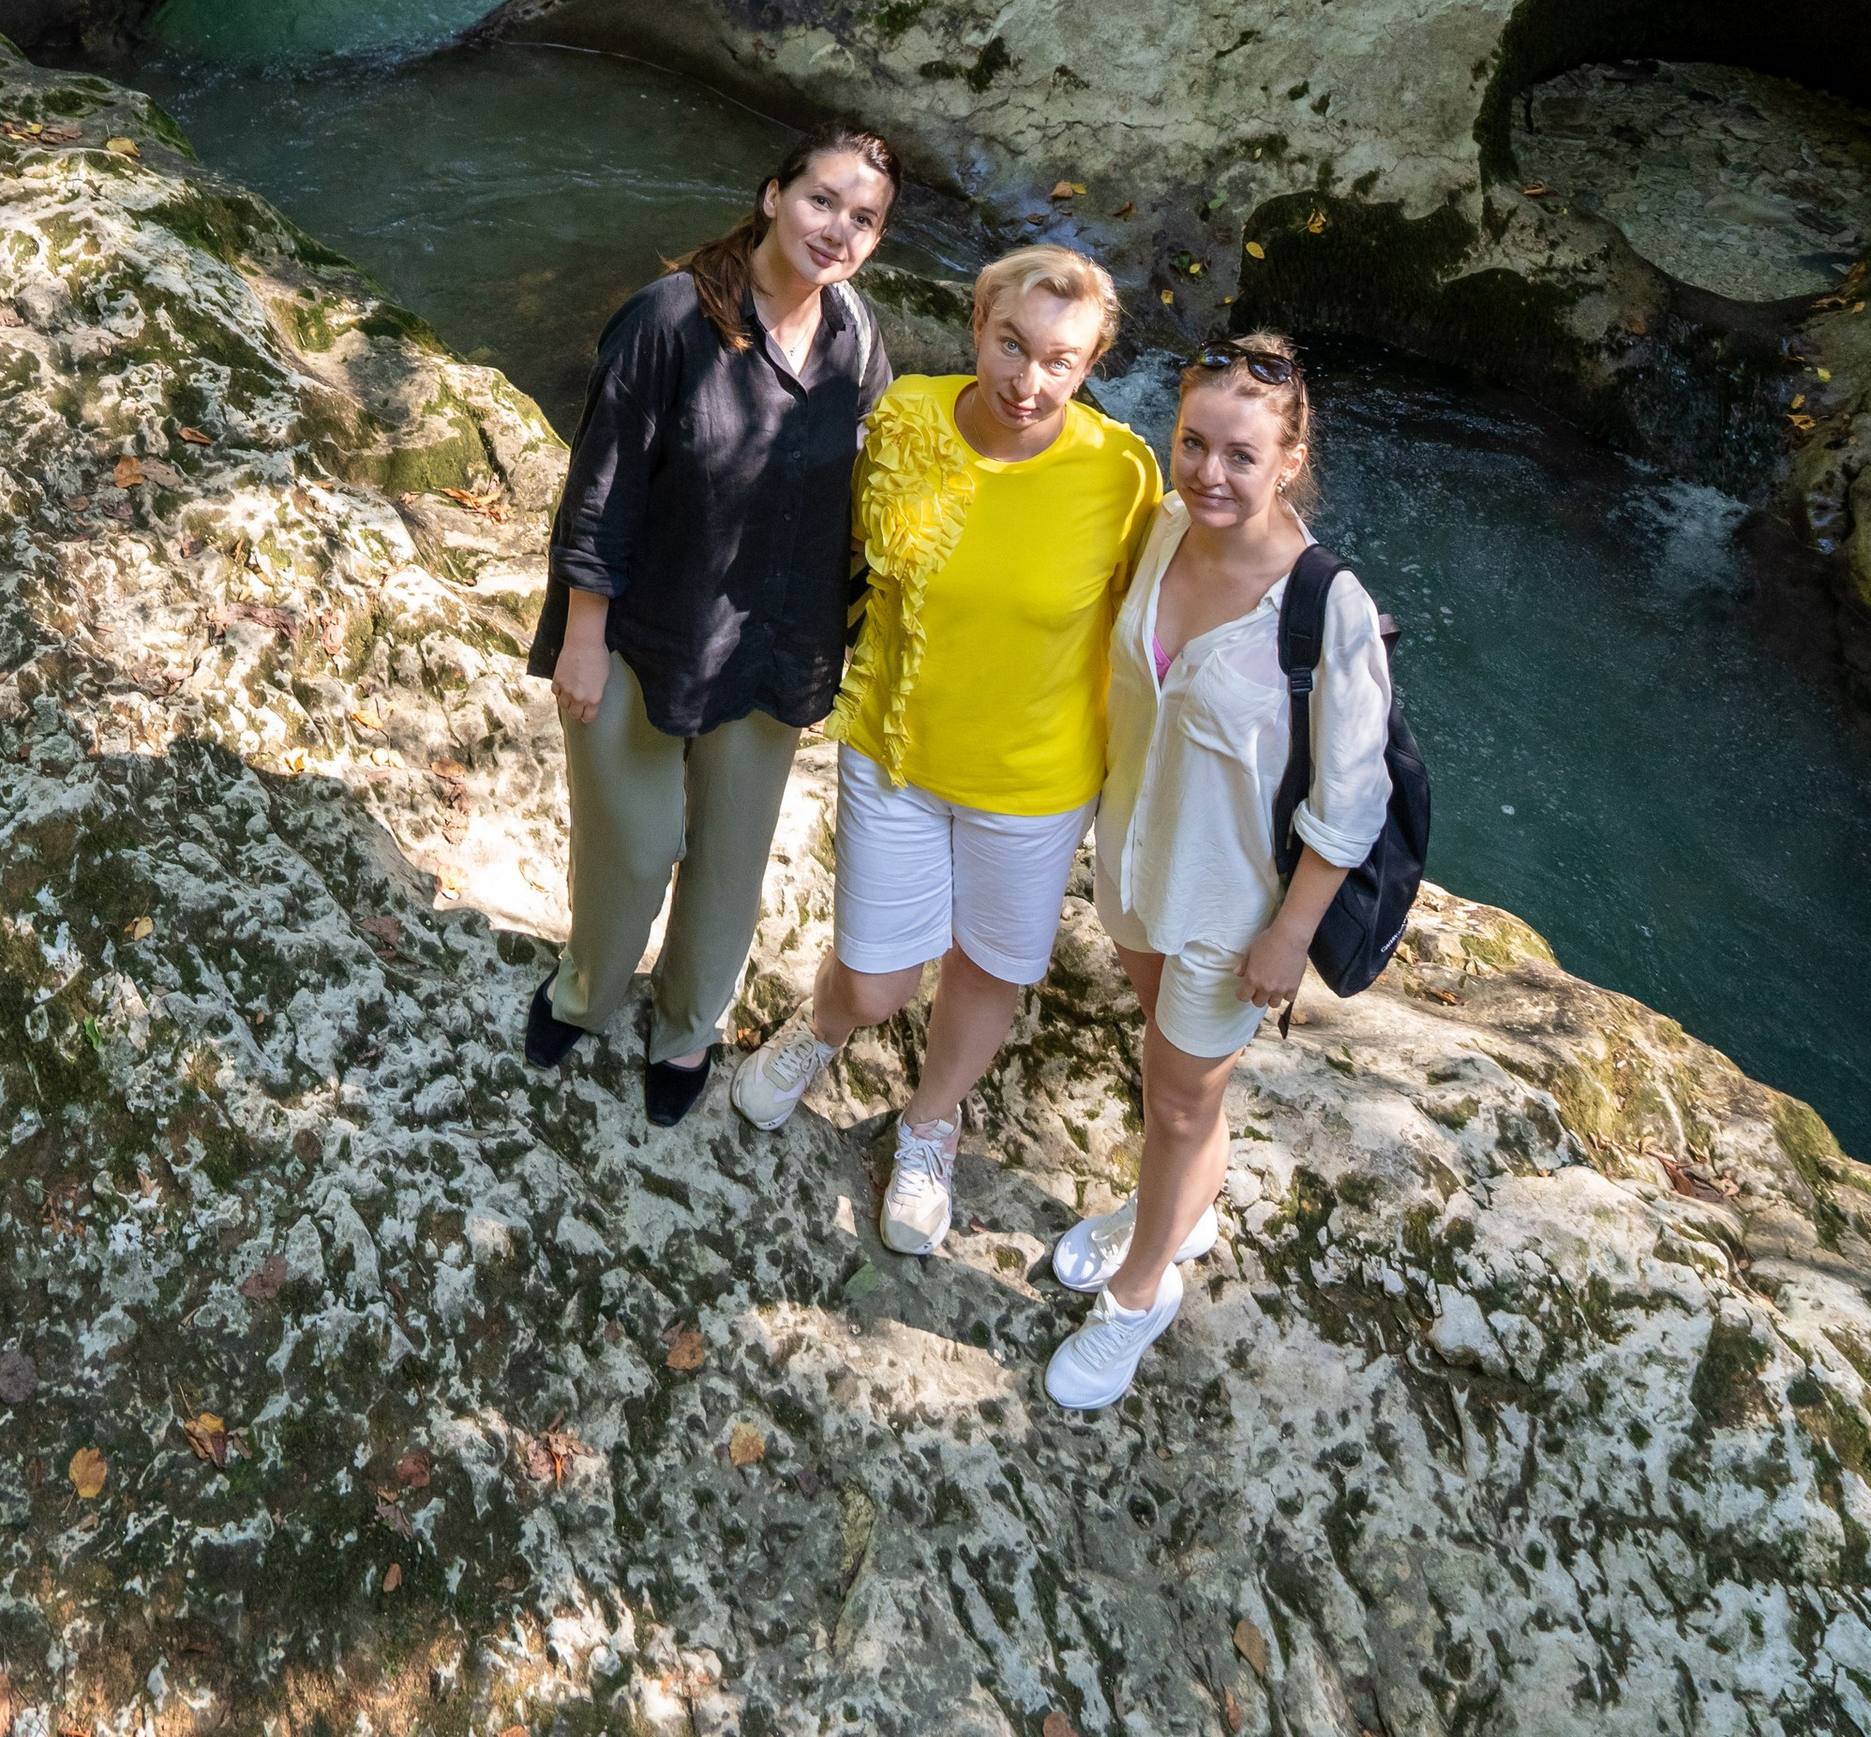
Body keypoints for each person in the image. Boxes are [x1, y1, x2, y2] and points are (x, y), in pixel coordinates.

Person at [733, 244, 1160, 1257]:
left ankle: (930, 1123)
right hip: (895, 750)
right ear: (977, 325)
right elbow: (821, 542)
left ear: (1089, 364)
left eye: (1060, 360)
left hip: (1034, 781)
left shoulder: (1121, 474)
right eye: (1011, 346)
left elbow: (1158, 631)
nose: (1028, 380)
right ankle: (823, 1027)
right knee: (879, 978)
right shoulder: (901, 419)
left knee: (985, 968)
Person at [1044, 331, 1394, 1411]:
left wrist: (1289, 934)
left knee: (1180, 1096)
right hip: (1139, 868)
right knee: (1177, 1084)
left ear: (1288, 458)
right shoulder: (1161, 533)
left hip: (1231, 909)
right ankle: (1180, 1209)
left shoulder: (1325, 604)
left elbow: (1352, 800)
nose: (1209, 473)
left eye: (1240, 456)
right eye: (1192, 444)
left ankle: (1140, 1293)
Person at [524, 129, 900, 1125]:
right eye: (823, 201)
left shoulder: (855, 340)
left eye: (863, 219)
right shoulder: (667, 321)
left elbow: (874, 492)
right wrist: (581, 638)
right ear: (772, 194)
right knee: (636, 845)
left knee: (730, 859)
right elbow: (598, 493)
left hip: (776, 639)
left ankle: (686, 1027)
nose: (838, 230)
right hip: (648, 632)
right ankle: (587, 989)